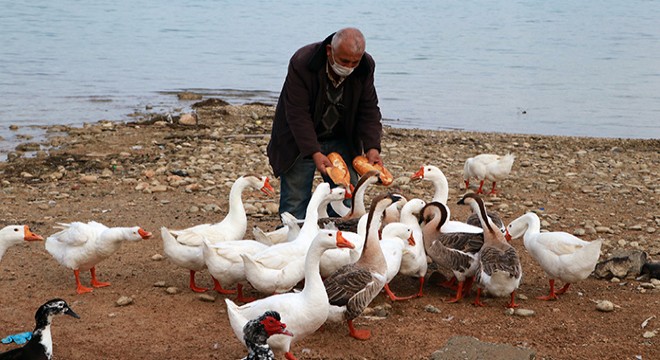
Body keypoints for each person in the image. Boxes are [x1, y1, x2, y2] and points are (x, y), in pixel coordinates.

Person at [267, 27, 384, 220]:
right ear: (329, 51)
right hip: (300, 139)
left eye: (355, 62)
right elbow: (297, 113)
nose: (349, 67)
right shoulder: (303, 61)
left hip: (342, 138)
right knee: (295, 200)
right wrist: (314, 151)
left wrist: (372, 147)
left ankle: (336, 236)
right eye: (344, 61)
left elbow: (369, 109)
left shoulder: (365, 66)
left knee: (347, 195)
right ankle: (291, 240)